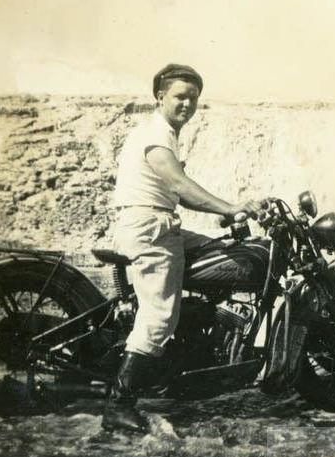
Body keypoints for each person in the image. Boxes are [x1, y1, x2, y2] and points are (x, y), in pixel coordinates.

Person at [104, 63, 262, 433]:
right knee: (159, 315)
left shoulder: (164, 132)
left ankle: (201, 327)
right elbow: (179, 185)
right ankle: (118, 404)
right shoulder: (157, 134)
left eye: (193, 98)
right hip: (150, 228)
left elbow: (180, 194)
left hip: (158, 223)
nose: (187, 104)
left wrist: (227, 215)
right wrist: (230, 207)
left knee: (223, 251)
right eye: (180, 96)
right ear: (160, 97)